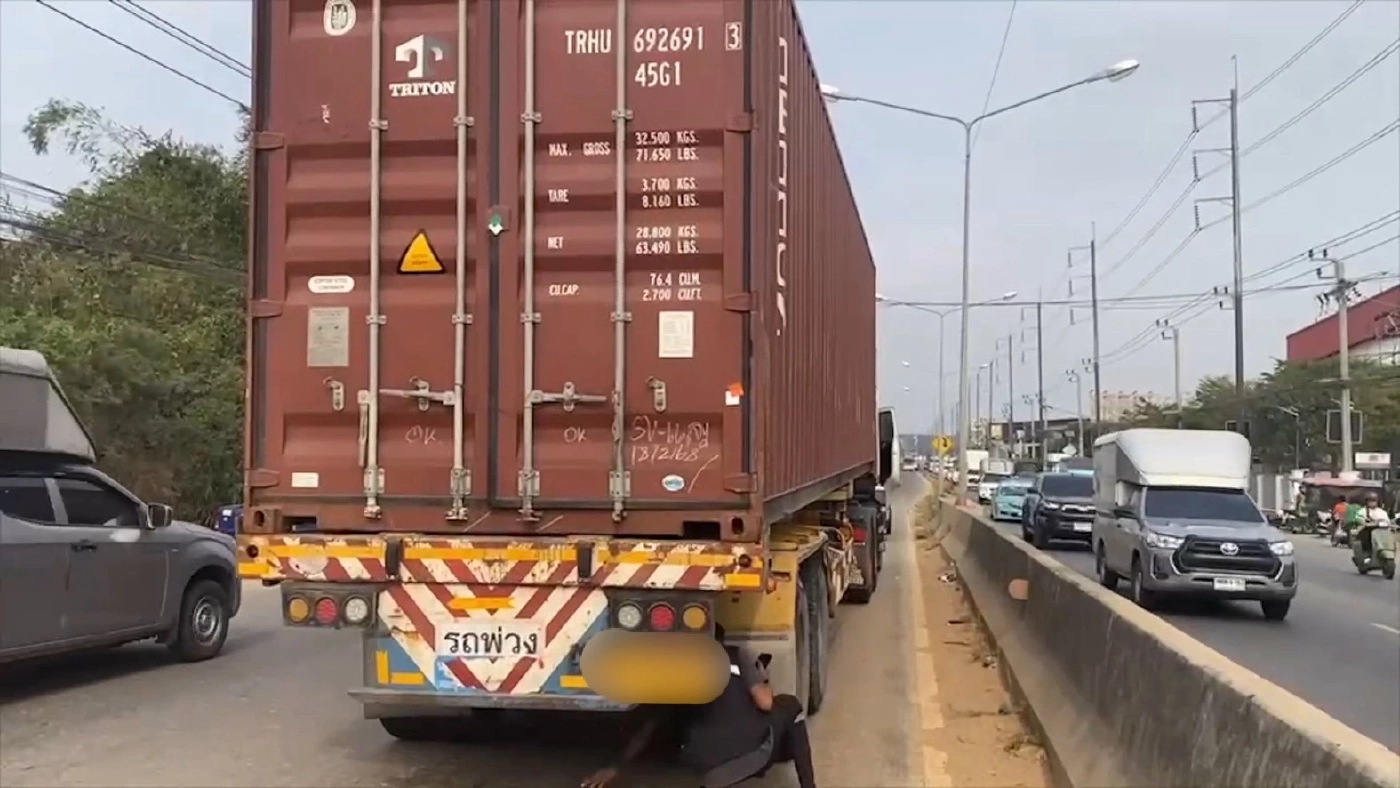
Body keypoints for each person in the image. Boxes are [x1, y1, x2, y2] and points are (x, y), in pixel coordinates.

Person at [580, 624, 818, 788]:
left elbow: (649, 726)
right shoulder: (736, 655)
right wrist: (763, 681)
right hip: (747, 758)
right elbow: (765, 703)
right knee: (791, 705)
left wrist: (615, 767)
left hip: (700, 764)